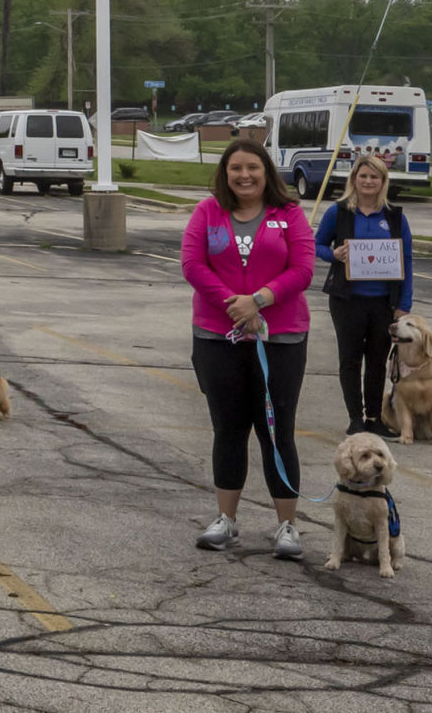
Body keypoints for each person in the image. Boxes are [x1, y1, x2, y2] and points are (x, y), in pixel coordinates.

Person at [180, 139, 316, 560]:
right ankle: (226, 519)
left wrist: (259, 300)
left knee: (277, 431)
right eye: (236, 168)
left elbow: (303, 269)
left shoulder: (288, 214)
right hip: (217, 337)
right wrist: (235, 306)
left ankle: (287, 525)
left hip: (280, 338)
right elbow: (192, 264)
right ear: (225, 173)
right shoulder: (208, 212)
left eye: (252, 168)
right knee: (229, 429)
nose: (244, 175)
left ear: (266, 172)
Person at [314, 154, 413, 438]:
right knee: (350, 359)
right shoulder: (338, 212)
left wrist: (404, 304)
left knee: (378, 360)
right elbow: (316, 245)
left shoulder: (395, 217)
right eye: (363, 176)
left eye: (374, 177)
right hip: (347, 300)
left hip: (383, 301)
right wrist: (333, 254)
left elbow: (406, 259)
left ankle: (374, 417)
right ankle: (355, 417)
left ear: (383, 181)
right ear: (354, 179)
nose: (368, 182)